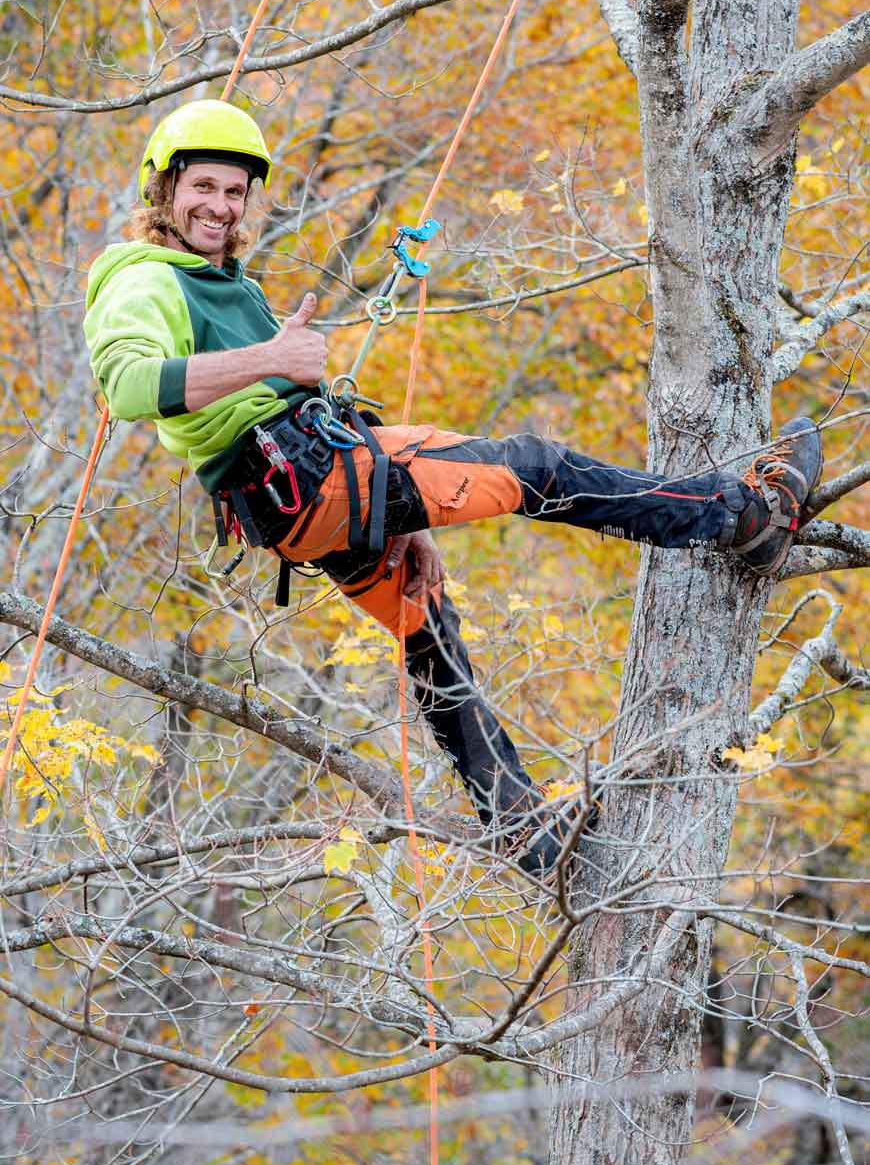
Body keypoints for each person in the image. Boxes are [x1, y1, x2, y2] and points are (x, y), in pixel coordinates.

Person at [83, 101, 823, 874]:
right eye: (203, 186)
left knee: (426, 624)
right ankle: (743, 517)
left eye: (235, 192)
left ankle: (523, 827)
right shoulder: (143, 279)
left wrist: (407, 511)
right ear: (162, 191)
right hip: (305, 475)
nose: (220, 206)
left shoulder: (223, 283)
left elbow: (286, 394)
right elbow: (131, 385)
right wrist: (274, 357)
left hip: (310, 492)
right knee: (535, 469)